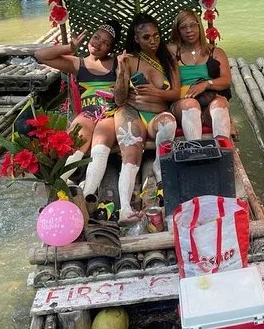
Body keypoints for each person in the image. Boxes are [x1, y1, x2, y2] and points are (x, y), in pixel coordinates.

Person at [34, 21, 121, 197]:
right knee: (77, 140)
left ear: (111, 49)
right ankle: (58, 187)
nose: (98, 43)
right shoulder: (78, 63)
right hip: (87, 114)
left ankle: (87, 196)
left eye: (105, 42)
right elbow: (40, 55)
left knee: (100, 147)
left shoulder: (117, 63)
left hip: (109, 114)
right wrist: (69, 48)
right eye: (96, 37)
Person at [113, 13, 180, 224]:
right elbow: (119, 99)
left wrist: (156, 92)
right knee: (131, 148)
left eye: (156, 35)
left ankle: (159, 168)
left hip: (157, 113)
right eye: (146, 37)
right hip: (132, 111)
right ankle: (125, 209)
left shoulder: (168, 59)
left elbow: (176, 93)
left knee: (168, 124)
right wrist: (121, 73)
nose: (153, 41)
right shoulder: (129, 60)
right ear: (136, 39)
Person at [168, 9, 232, 141]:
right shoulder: (173, 51)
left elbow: (226, 80)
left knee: (220, 105)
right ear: (178, 31)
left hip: (208, 99)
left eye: (193, 25)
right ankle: (195, 147)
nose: (189, 30)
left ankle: (223, 147)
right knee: (191, 105)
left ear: (199, 27)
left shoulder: (215, 52)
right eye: (183, 27)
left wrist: (206, 84)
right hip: (183, 101)